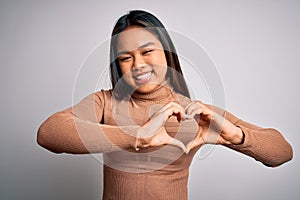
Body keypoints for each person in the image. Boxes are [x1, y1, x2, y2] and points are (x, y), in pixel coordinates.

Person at [37, 10, 293, 200]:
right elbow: (49, 132)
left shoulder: (195, 113)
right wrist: (138, 136)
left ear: (167, 53)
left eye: (147, 52)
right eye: (126, 57)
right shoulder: (105, 102)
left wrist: (235, 136)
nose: (138, 65)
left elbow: (282, 152)